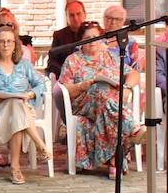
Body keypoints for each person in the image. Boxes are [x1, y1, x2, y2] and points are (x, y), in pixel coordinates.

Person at [61, 22, 144, 176]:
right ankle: (131, 127)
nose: (92, 41)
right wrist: (83, 85)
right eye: (88, 38)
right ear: (81, 41)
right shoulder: (73, 60)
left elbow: (134, 74)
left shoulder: (111, 57)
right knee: (100, 88)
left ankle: (114, 162)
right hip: (84, 104)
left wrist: (127, 88)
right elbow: (65, 88)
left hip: (108, 106)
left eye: (95, 37)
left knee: (106, 98)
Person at [0, 27, 49, 185]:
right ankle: (39, 145)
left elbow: (41, 84)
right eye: (2, 41)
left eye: (9, 41)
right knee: (16, 107)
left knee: (16, 106)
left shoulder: (24, 65)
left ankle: (15, 167)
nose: (5, 45)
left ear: (15, 44)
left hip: (20, 108)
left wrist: (30, 94)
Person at [46, 1, 88, 77]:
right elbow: (52, 61)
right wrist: (65, 72)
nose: (75, 18)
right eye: (71, 15)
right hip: (66, 78)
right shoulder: (59, 35)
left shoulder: (93, 34)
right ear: (66, 17)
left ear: (85, 14)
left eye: (78, 14)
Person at [101, 6, 141, 70]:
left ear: (123, 21)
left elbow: (135, 69)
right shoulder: (95, 40)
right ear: (104, 19)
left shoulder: (130, 42)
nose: (113, 22)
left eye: (117, 19)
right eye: (109, 18)